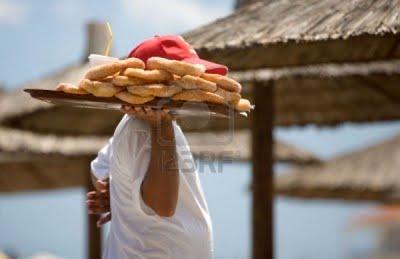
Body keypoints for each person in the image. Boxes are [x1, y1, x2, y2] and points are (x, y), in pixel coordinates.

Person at [86, 35, 229, 259]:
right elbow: (163, 206)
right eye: (185, 78)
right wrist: (161, 125)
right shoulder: (144, 128)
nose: (194, 86)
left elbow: (99, 170)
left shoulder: (143, 124)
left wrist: (118, 196)